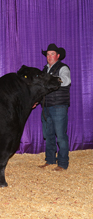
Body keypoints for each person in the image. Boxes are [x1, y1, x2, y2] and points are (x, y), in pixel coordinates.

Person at [38, 43, 71, 171]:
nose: (50, 56)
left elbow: (66, 80)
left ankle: (62, 163)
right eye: (48, 54)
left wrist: (50, 79)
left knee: (61, 136)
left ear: (58, 56)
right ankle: (50, 160)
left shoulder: (63, 68)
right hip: (46, 106)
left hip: (59, 106)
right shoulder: (45, 70)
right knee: (49, 135)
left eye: (52, 54)